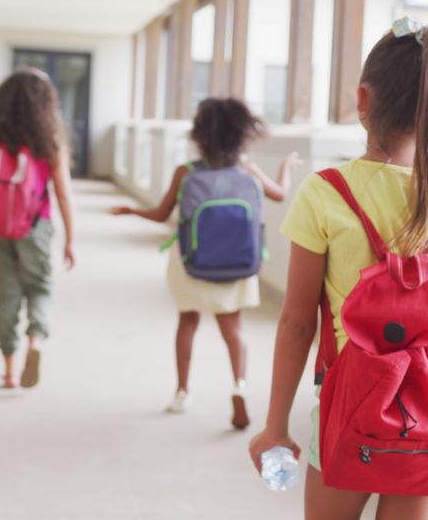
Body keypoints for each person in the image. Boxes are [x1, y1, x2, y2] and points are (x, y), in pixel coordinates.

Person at [247, 17, 428, 520]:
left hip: (348, 411)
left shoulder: (326, 192)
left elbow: (295, 322)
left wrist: (275, 427)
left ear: (364, 99)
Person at [111, 97, 296, 429]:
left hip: (191, 262)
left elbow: (160, 214)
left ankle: (182, 391)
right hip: (237, 263)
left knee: (188, 323)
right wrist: (286, 168)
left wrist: (129, 210)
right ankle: (239, 385)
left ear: (200, 135)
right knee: (233, 328)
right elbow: (280, 195)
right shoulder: (246, 169)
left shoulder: (186, 172)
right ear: (239, 135)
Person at [0, 69, 77, 390]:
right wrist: (71, 239)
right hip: (35, 226)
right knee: (41, 287)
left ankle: (9, 370)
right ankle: (35, 341)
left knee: (7, 294)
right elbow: (62, 192)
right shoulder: (49, 140)